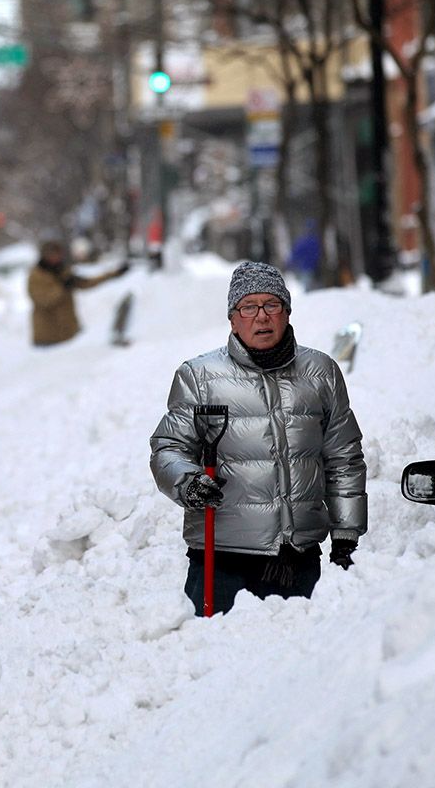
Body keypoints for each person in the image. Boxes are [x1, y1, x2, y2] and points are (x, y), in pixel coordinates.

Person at [149, 261, 367, 615]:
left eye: (272, 305)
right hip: (221, 560)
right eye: (249, 307)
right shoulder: (199, 376)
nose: (261, 316)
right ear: (233, 318)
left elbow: (343, 456)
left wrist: (345, 532)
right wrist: (187, 482)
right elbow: (168, 449)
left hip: (297, 558)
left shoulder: (321, 372)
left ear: (287, 312)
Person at [27, 240, 128, 346]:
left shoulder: (62, 271)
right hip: (47, 337)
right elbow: (42, 300)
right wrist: (62, 287)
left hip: (68, 334)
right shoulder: (36, 276)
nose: (56, 257)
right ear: (45, 255)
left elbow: (86, 283)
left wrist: (114, 273)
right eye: (53, 254)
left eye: (58, 254)